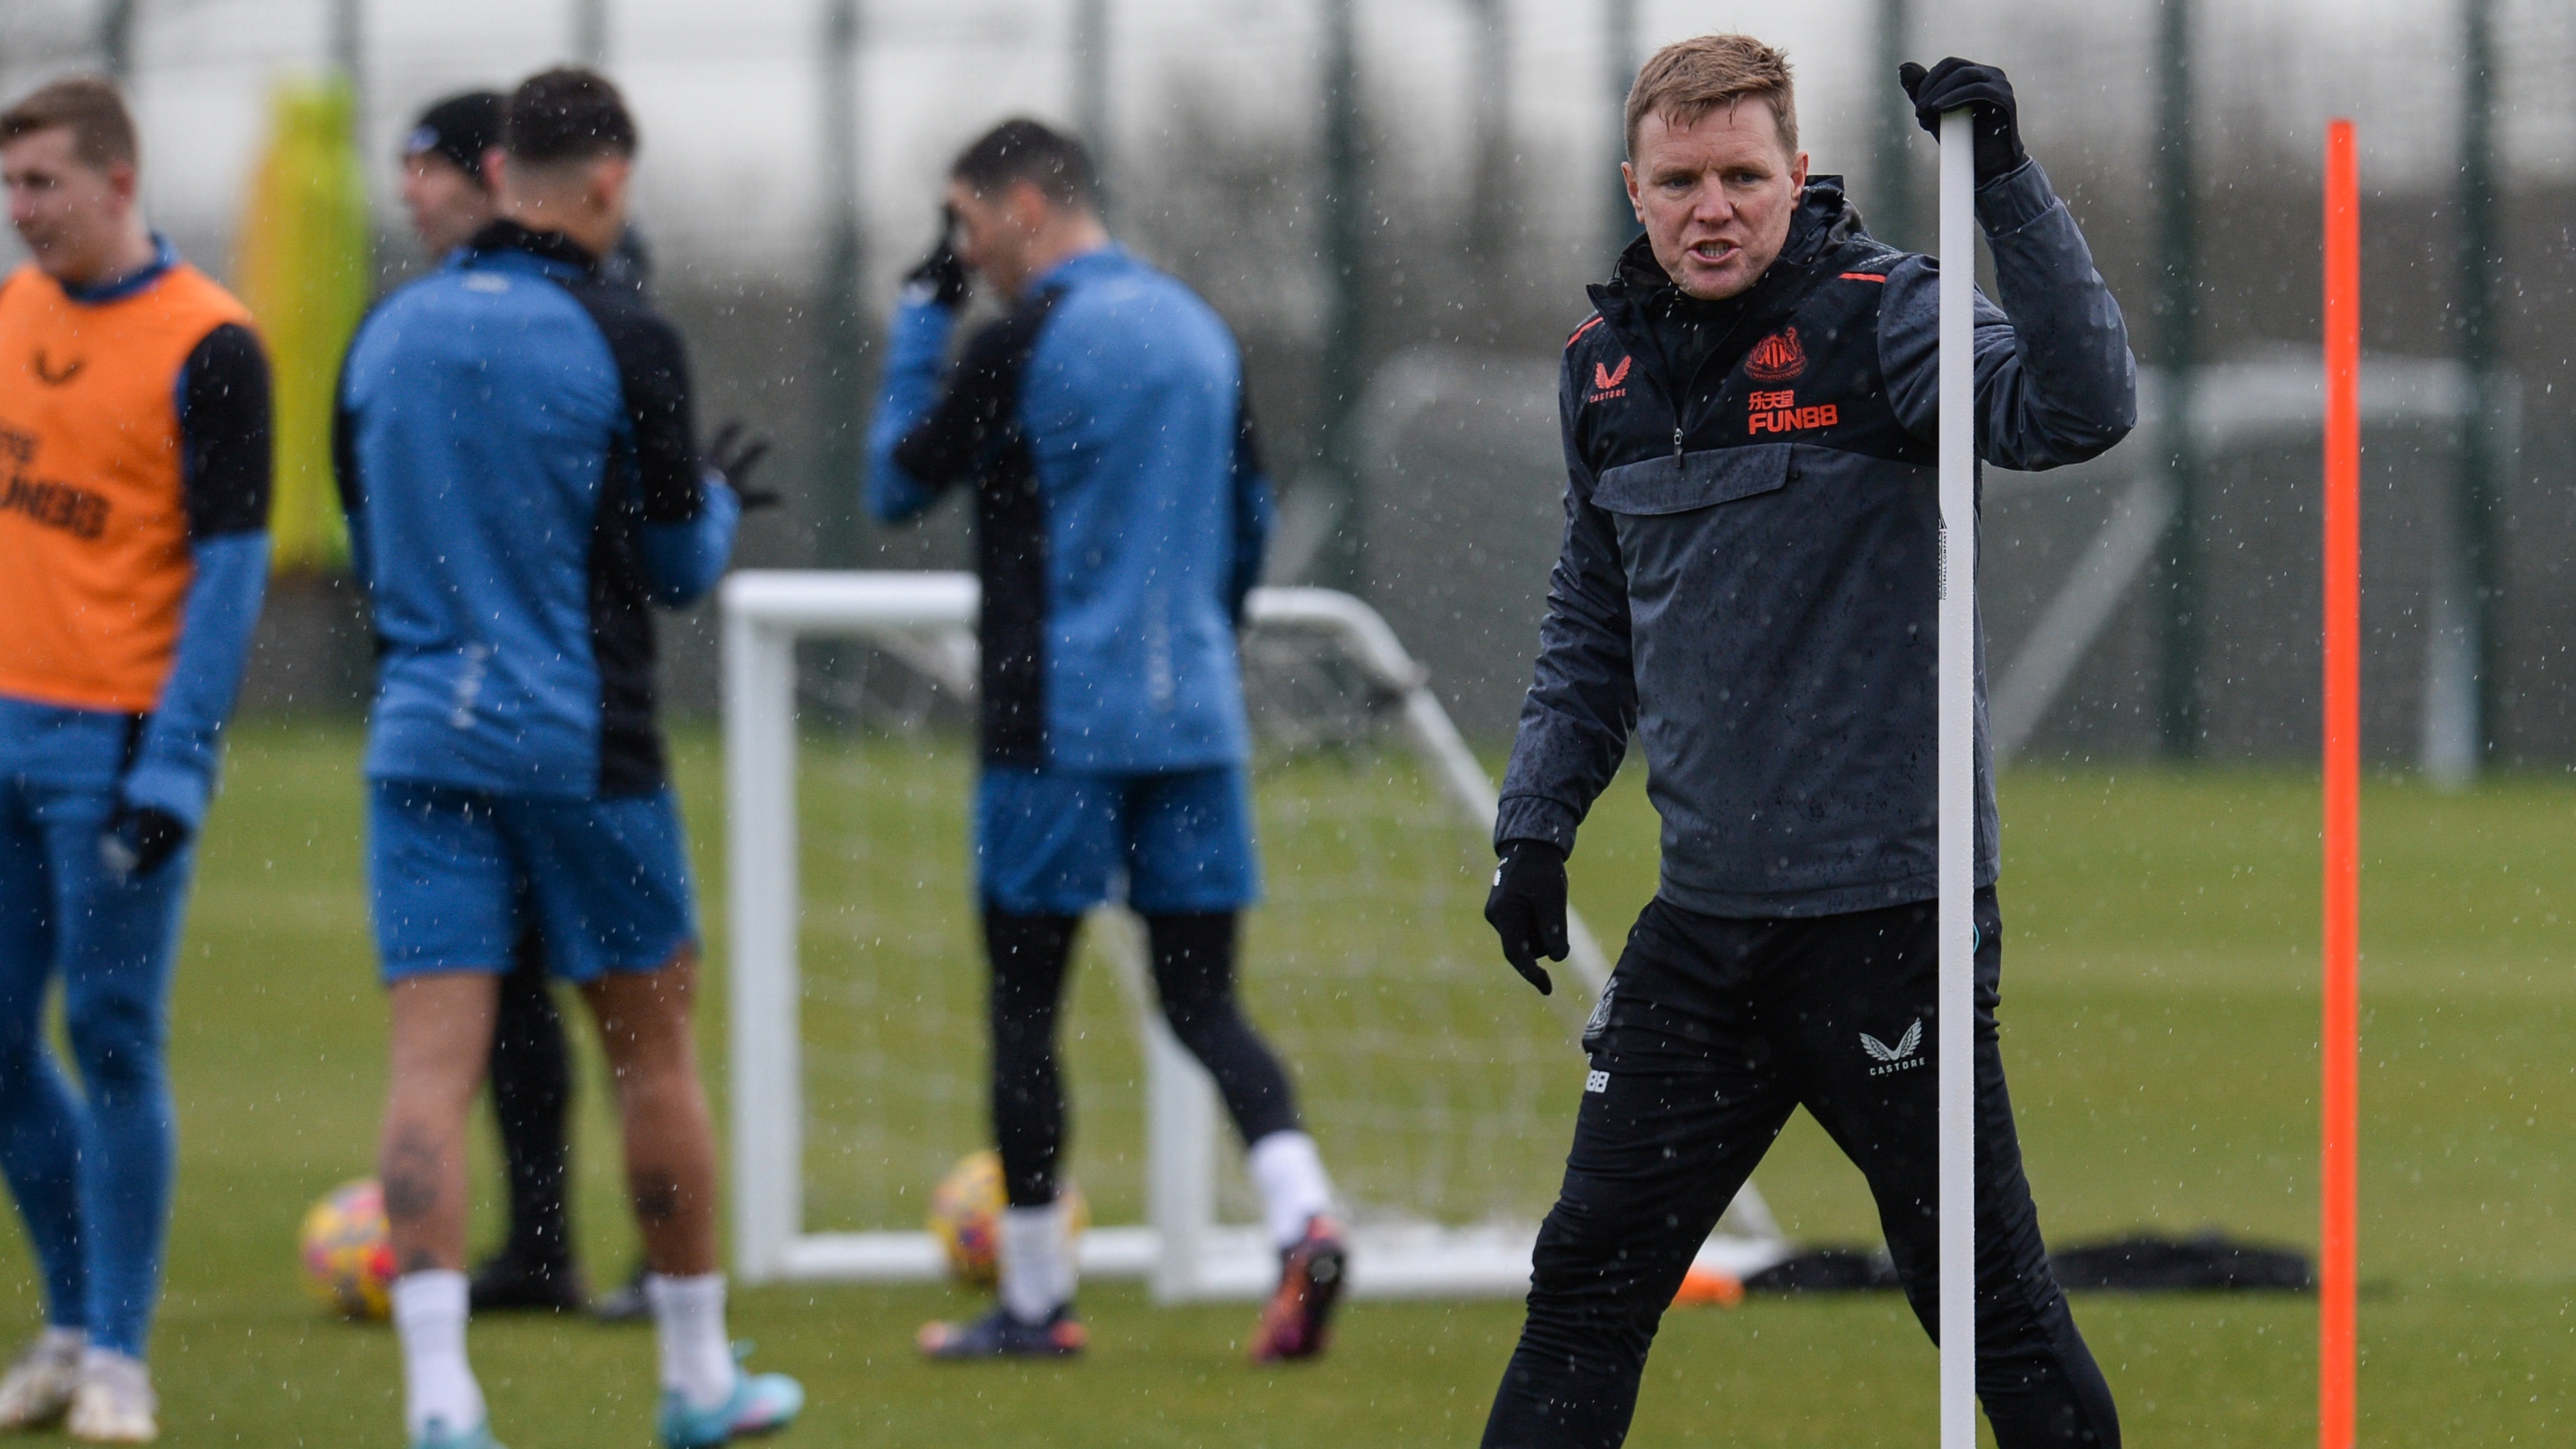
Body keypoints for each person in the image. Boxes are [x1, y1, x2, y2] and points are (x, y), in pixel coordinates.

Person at [1478, 38, 2134, 1448]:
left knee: (1985, 1303)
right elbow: (1594, 621)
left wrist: (2006, 181)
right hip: (1703, 938)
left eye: (1741, 178)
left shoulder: (1886, 316)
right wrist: (1536, 824)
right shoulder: (1601, 372)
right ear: (1634, 189)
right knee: (1583, 1282)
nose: (1711, 208)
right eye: (1680, 181)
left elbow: (2082, 407)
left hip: (1891, 920)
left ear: (1795, 175)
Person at [334, 68, 795, 1449]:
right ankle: (696, 1376)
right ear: (606, 180)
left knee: (429, 1066)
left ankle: (439, 1398)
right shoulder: (624, 333)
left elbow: (365, 549)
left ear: (486, 169)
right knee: (651, 1055)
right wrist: (710, 510)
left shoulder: (382, 330)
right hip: (584, 743)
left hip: (421, 734)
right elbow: (667, 566)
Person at [867, 118, 1346, 1363]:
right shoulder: (1197, 325)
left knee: (1027, 1004)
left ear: (1024, 206)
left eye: (966, 226)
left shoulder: (1014, 341)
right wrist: (1192, 640)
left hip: (1052, 722)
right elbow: (1248, 522)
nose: (963, 252)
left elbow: (894, 481)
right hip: (1190, 715)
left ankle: (1033, 1301)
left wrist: (922, 324)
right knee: (1205, 998)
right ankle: (1303, 1216)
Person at [0, 76, 272, 1443]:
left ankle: (119, 1353)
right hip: (0, 724)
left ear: (118, 180)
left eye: (41, 183)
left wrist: (176, 766)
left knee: (112, 1035)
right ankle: (64, 1321)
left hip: (111, 748)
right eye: (10, 186)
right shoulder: (8, 316)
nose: (19, 210)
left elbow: (227, 579)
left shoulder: (211, 345)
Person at [389, 87, 591, 1319]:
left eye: (428, 168)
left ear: (493, 173)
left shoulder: (585, 306)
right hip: (458, 705)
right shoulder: (410, 325)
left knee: (626, 998)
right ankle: (542, 1241)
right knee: (508, 987)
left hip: (570, 712)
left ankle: (660, 1276)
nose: (408, 191)